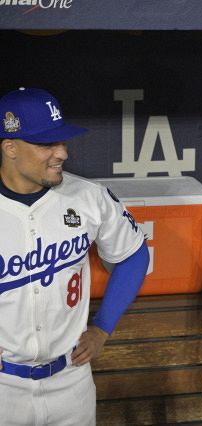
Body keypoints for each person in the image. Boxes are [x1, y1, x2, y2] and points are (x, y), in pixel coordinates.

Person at [0, 87, 149, 425]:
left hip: (71, 379)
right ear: (10, 147)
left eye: (63, 142)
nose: (62, 153)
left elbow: (134, 255)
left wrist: (103, 327)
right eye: (46, 144)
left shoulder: (89, 197)